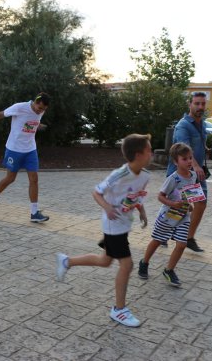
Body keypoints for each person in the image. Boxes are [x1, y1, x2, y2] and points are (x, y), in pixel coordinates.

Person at [55, 133, 152, 327]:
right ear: (138, 154)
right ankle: (119, 310)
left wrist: (141, 210)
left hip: (124, 223)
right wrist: (107, 207)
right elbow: (96, 192)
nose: (152, 152)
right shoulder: (119, 174)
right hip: (112, 225)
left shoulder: (145, 175)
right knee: (127, 265)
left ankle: (67, 261)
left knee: (105, 260)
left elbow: (134, 195)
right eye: (149, 149)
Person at [0, 93, 50, 222]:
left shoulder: (41, 111)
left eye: (43, 110)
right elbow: (0, 114)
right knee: (10, 178)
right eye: (39, 108)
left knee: (34, 179)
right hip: (14, 149)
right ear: (35, 101)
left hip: (30, 149)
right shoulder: (20, 107)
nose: (40, 111)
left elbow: (30, 123)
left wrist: (38, 126)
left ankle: (34, 213)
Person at [138, 143, 201, 287]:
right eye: (184, 159)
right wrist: (172, 204)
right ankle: (144, 262)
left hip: (183, 217)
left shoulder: (193, 175)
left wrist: (189, 204)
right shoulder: (173, 178)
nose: (189, 161)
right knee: (157, 240)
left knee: (182, 244)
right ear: (175, 162)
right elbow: (160, 196)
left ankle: (169, 270)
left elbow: (189, 193)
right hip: (167, 216)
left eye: (190, 158)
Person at [167, 91, 209, 253]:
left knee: (200, 203)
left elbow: (200, 142)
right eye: (197, 103)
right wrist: (196, 166)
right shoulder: (183, 126)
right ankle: (164, 233)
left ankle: (188, 237)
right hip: (181, 174)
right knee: (179, 207)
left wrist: (207, 149)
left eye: (203, 104)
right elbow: (185, 152)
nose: (200, 107)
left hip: (196, 174)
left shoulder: (202, 123)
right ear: (190, 104)